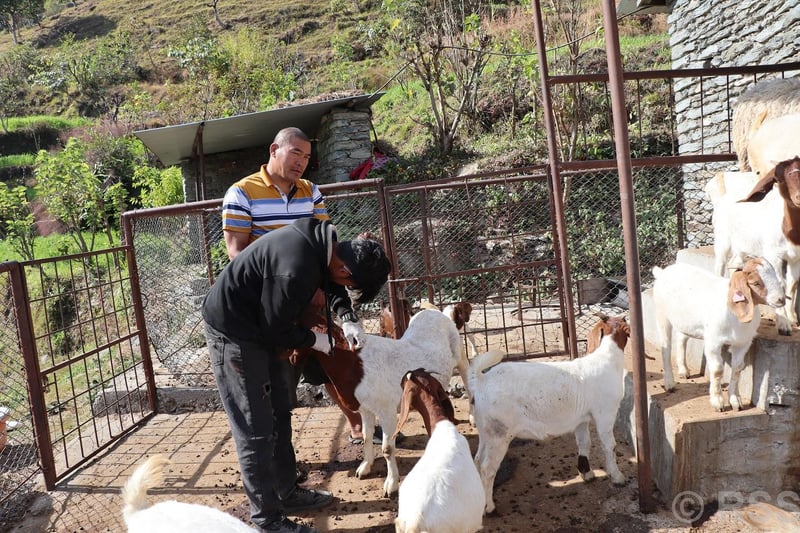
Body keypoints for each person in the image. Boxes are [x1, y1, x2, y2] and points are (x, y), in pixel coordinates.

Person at [202, 218, 391, 533]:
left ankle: (286, 492)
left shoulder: (324, 246)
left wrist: (346, 316)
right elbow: (276, 328)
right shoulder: (296, 266)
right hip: (234, 332)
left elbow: (330, 282)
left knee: (280, 407)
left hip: (262, 325)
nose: (345, 288)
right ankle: (267, 521)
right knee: (255, 428)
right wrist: (317, 340)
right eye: (351, 286)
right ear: (346, 272)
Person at [221, 126, 377, 446]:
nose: (302, 162)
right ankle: (284, 462)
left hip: (310, 298)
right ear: (274, 150)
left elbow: (325, 246)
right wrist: (282, 289)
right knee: (279, 383)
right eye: (295, 153)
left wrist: (333, 304)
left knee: (335, 362)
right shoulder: (241, 192)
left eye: (306, 157)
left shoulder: (311, 191)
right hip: (268, 305)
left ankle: (359, 426)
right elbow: (237, 254)